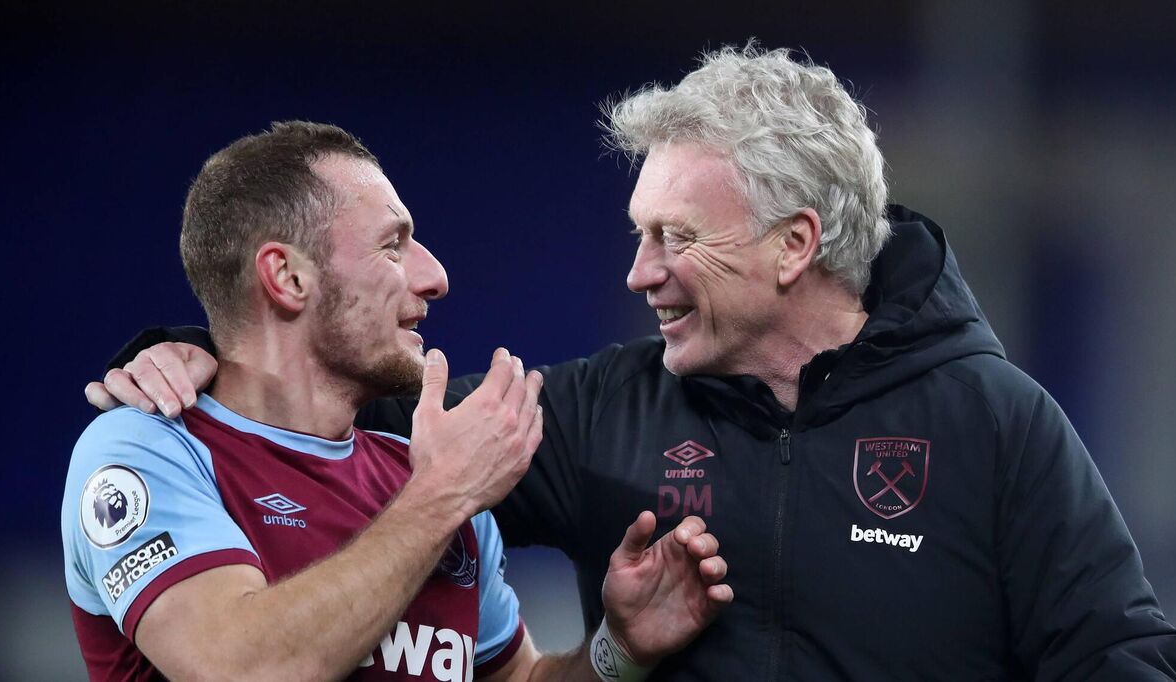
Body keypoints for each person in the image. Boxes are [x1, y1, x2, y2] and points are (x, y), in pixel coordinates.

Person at [88, 47, 1176, 680]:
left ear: (794, 245)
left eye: (673, 237)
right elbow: (331, 412)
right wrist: (198, 356)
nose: (639, 272)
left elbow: (1122, 657)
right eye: (637, 233)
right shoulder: (596, 414)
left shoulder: (996, 423)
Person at [64, 121, 733, 681]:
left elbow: (519, 678)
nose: (435, 277)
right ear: (287, 277)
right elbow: (241, 669)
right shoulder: (147, 450)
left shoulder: (421, 473)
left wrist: (620, 650)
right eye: (392, 247)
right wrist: (442, 496)